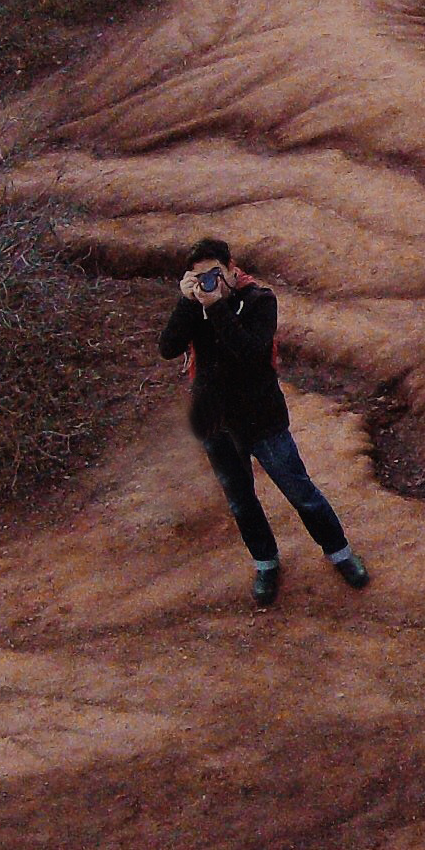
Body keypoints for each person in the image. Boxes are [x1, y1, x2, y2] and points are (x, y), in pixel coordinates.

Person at [160, 239, 370, 607]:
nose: (209, 282)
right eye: (199, 277)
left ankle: (339, 553)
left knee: (301, 492)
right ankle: (266, 563)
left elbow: (252, 356)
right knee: (241, 501)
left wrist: (218, 310)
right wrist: (187, 303)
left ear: (231, 268)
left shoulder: (259, 301)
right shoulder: (193, 306)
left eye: (215, 274)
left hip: (262, 420)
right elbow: (167, 347)